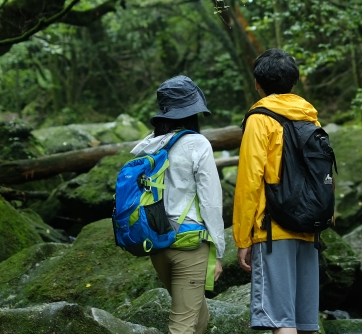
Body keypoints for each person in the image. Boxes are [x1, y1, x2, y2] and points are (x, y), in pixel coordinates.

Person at [235, 48, 321, 334]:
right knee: (304, 324)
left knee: (281, 323)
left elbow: (250, 180)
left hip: (273, 230)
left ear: (258, 84)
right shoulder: (310, 118)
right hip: (309, 226)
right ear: (293, 83)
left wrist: (242, 236)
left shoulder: (260, 119)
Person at [132, 75, 226, 334]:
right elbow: (211, 202)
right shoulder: (198, 144)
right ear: (193, 111)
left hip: (157, 243)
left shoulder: (147, 145)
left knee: (199, 320)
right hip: (189, 245)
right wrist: (218, 250)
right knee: (183, 327)